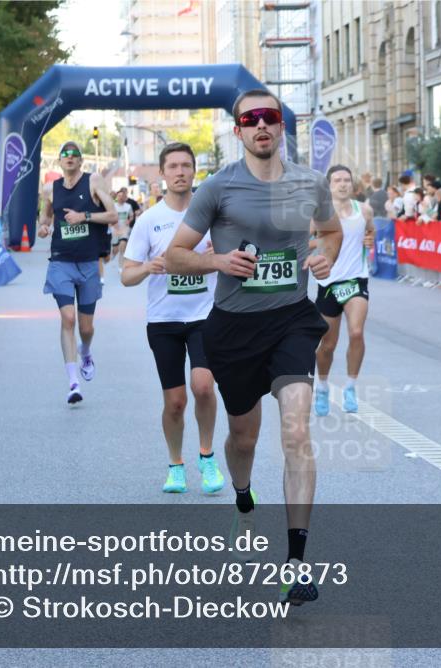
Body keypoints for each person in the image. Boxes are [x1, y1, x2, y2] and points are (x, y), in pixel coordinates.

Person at [165, 89, 341, 605]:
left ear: (281, 126)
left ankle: (296, 563)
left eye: (270, 117)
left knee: (296, 431)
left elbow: (330, 232)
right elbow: (175, 255)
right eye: (251, 119)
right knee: (243, 439)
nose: (261, 125)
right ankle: (243, 496)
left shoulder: (309, 182)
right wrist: (218, 261)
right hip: (235, 328)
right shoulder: (219, 187)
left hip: (291, 322)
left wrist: (325, 256)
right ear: (238, 130)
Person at [121, 143, 224, 495]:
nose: (180, 172)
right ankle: (175, 464)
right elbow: (126, 275)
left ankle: (207, 457)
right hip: (164, 321)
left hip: (205, 315)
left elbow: (237, 257)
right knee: (175, 402)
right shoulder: (149, 220)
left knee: (204, 386)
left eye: (186, 166)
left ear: (194, 171)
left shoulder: (211, 217)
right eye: (173, 166)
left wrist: (220, 253)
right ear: (163, 173)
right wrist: (148, 267)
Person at [36, 141, 118, 404]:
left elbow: (113, 215)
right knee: (68, 318)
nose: (69, 157)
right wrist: (44, 227)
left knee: (86, 327)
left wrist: (84, 216)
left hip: (88, 262)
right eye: (65, 154)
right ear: (60, 161)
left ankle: (87, 351)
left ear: (81, 160)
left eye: (74, 154)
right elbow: (44, 218)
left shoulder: (93, 181)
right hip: (60, 261)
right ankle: (73, 382)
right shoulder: (49, 189)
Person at [312, 164, 374, 416]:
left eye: (346, 179)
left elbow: (370, 232)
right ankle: (322, 386)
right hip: (329, 283)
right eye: (337, 180)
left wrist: (369, 239)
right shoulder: (320, 214)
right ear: (328, 186)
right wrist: (319, 243)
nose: (343, 184)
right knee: (328, 344)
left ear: (353, 183)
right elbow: (304, 241)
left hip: (356, 280)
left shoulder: (364, 210)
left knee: (356, 332)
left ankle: (350, 386)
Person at [111, 187, 134, 267]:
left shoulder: (128, 206)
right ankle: (113, 253)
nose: (120, 197)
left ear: (124, 197)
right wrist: (113, 223)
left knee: (123, 245)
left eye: (122, 196)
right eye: (119, 196)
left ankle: (121, 266)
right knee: (115, 249)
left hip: (124, 229)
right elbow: (109, 217)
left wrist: (129, 220)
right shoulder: (113, 206)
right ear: (117, 197)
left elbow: (131, 216)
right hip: (115, 230)